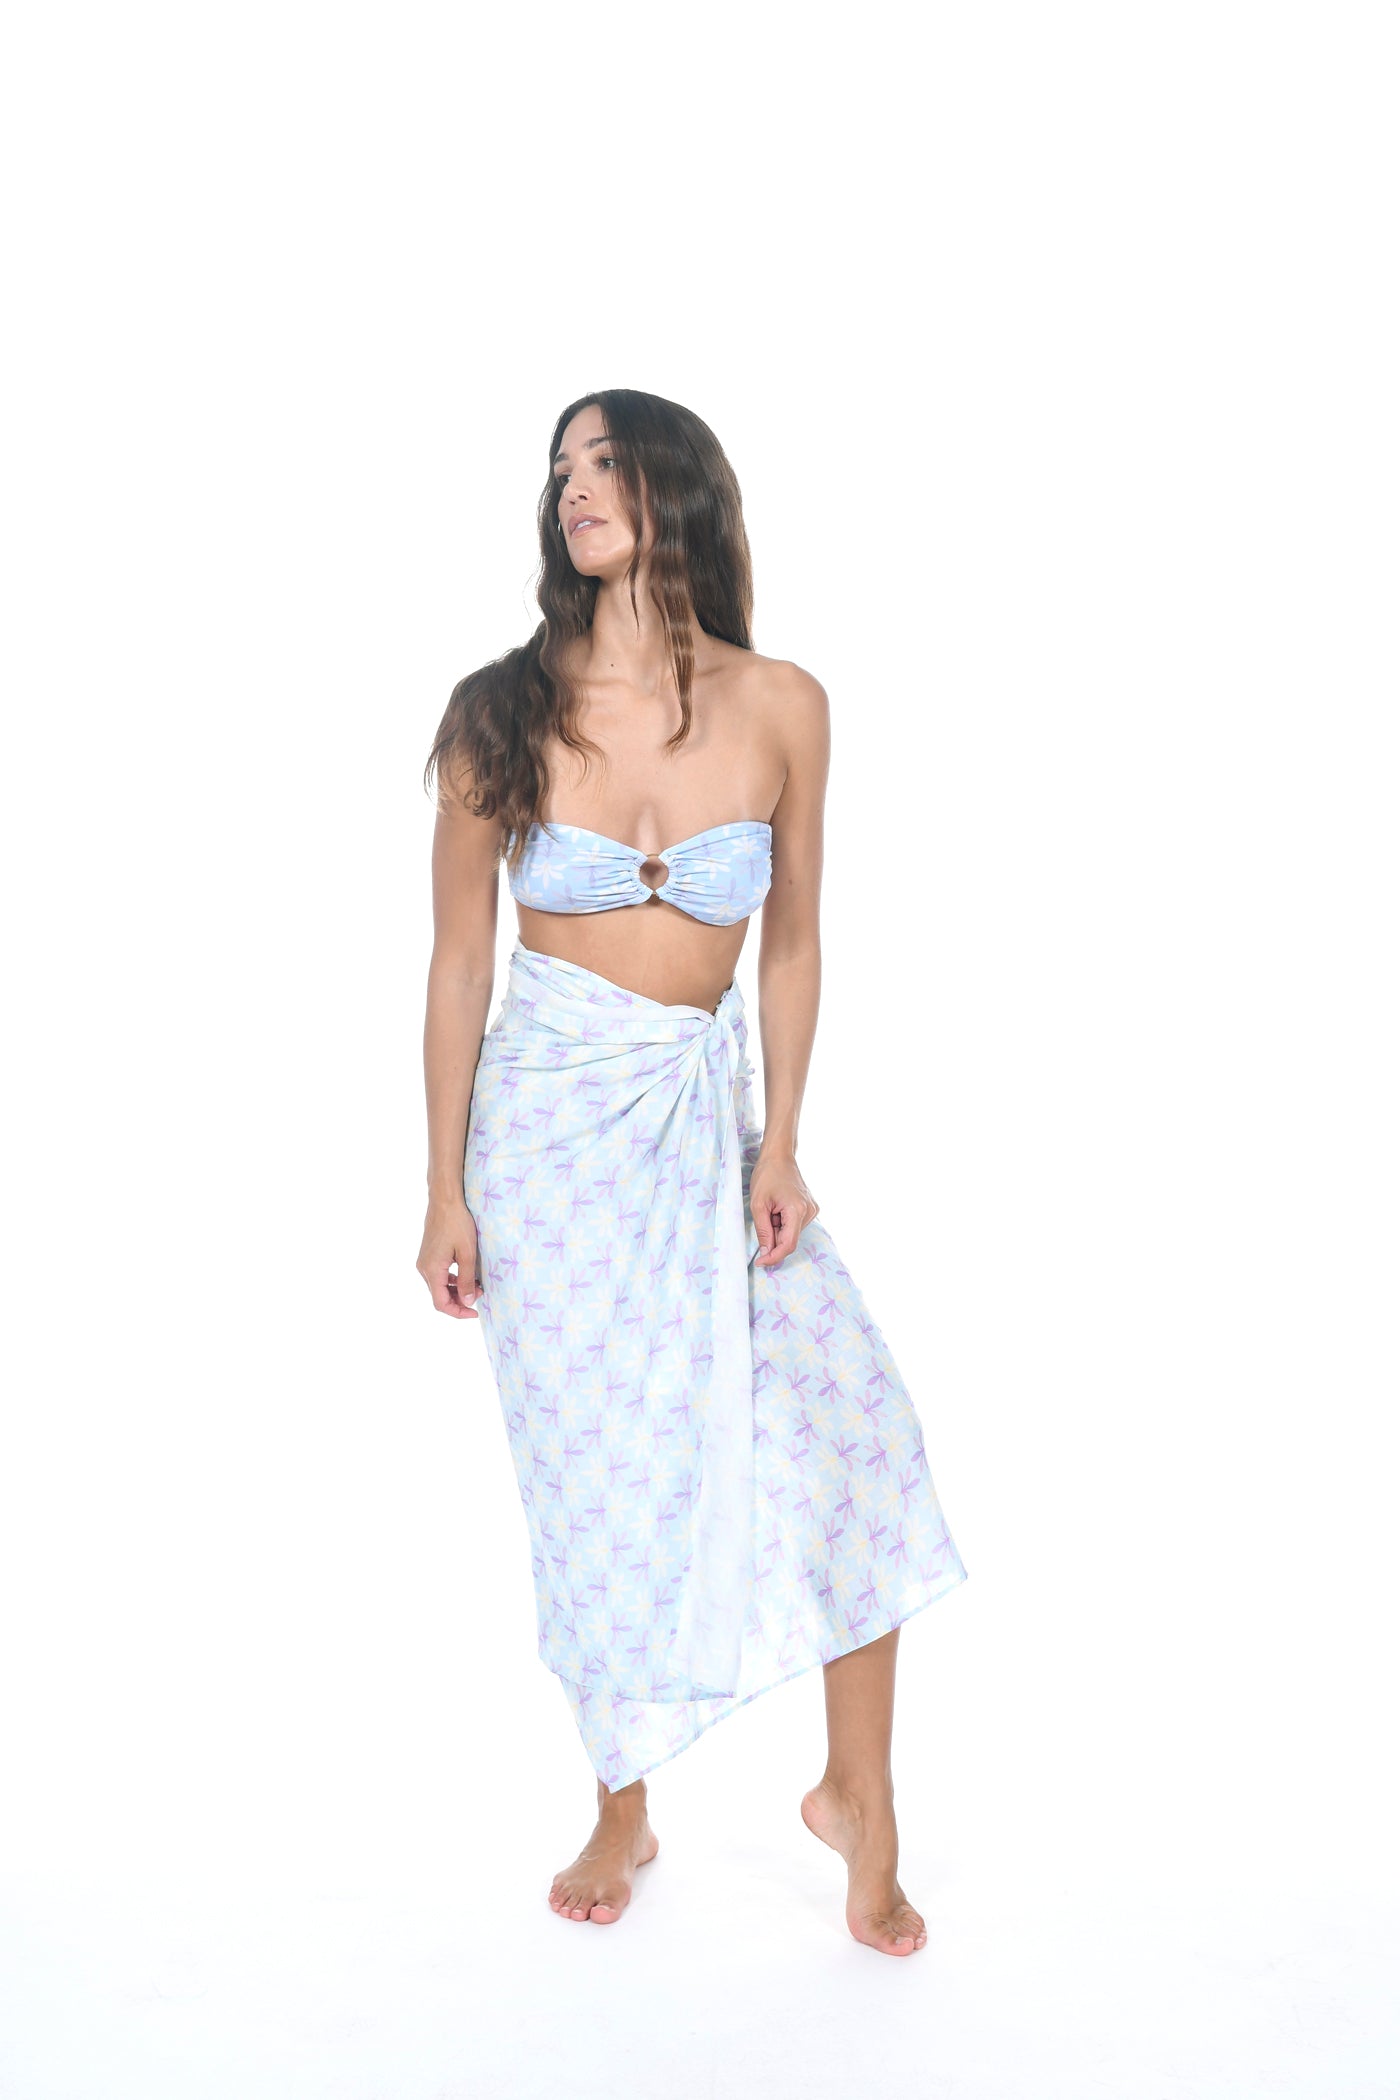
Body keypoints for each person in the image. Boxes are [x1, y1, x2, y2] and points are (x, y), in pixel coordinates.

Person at [418, 388, 968, 1956]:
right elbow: (459, 963)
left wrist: (781, 1139)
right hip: (544, 1140)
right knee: (596, 1484)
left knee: (857, 1436)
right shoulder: (500, 710)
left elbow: (791, 940)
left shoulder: (783, 703)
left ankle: (858, 1797)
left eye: (604, 462)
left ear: (680, 486)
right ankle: (622, 1801)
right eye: (561, 470)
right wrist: (444, 1185)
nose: (574, 488)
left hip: (707, 1128)